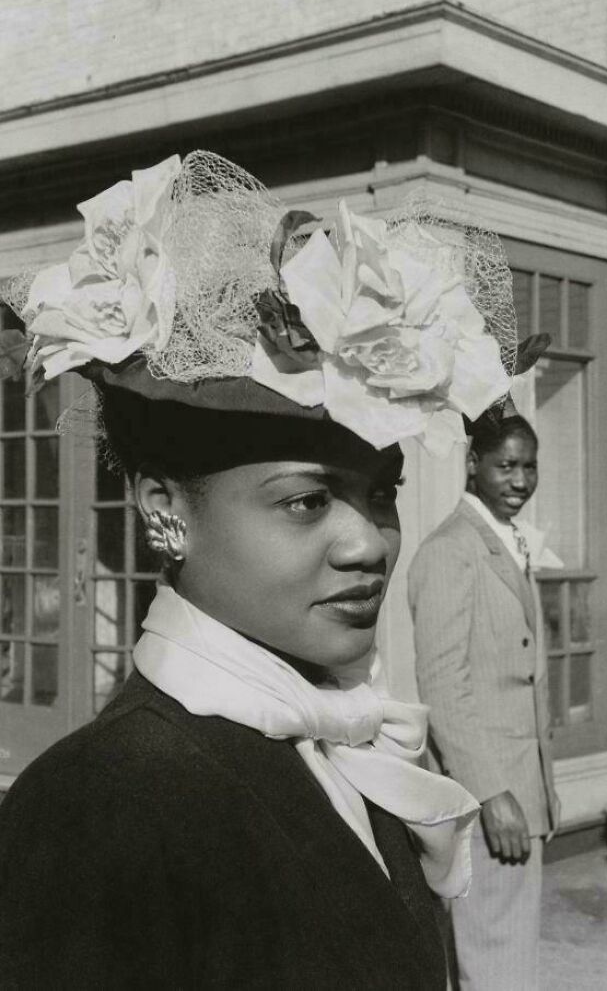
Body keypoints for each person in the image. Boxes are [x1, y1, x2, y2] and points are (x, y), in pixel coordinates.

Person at [0, 150, 518, 988]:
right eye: (307, 502)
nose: (370, 543)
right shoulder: (105, 802)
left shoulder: (345, 736)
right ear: (164, 509)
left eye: (381, 494)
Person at [408, 413, 560, 991]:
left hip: (523, 787)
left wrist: (541, 785)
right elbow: (444, 685)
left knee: (505, 951)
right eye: (506, 466)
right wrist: (494, 794)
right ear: (472, 464)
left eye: (529, 467)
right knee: (491, 957)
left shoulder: (503, 542)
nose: (520, 480)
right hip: (490, 795)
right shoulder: (452, 551)